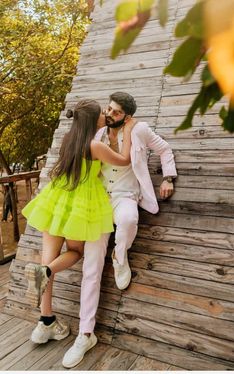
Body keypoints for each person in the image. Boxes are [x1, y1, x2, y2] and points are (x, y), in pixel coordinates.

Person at [62, 92, 177, 368]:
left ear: (127, 115)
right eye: (108, 109)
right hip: (98, 200)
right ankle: (85, 334)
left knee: (127, 220)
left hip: (126, 195)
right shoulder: (98, 131)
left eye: (115, 112)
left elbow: (165, 149)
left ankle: (120, 256)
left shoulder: (140, 129)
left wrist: (168, 177)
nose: (109, 114)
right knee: (91, 267)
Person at [22, 99, 135, 345]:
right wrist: (126, 128)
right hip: (80, 203)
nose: (106, 114)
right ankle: (47, 272)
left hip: (56, 197)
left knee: (46, 257)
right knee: (74, 251)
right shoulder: (95, 146)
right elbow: (125, 160)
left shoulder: (67, 141)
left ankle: (45, 322)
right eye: (102, 113)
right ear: (94, 120)